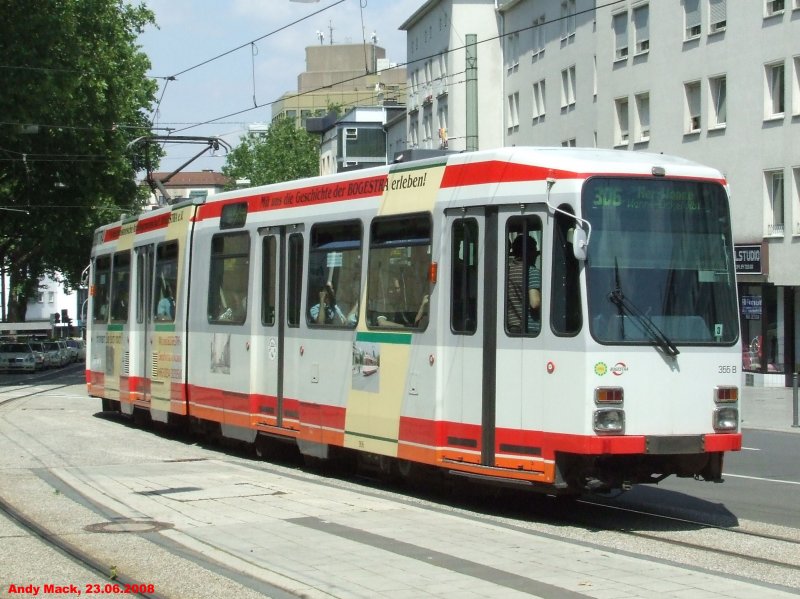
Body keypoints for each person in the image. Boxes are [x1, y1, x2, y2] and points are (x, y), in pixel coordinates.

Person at [507, 235, 541, 334]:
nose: (536, 254)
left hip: (511, 326)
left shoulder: (508, 271)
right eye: (534, 250)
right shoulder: (531, 271)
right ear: (529, 252)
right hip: (529, 329)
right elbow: (534, 303)